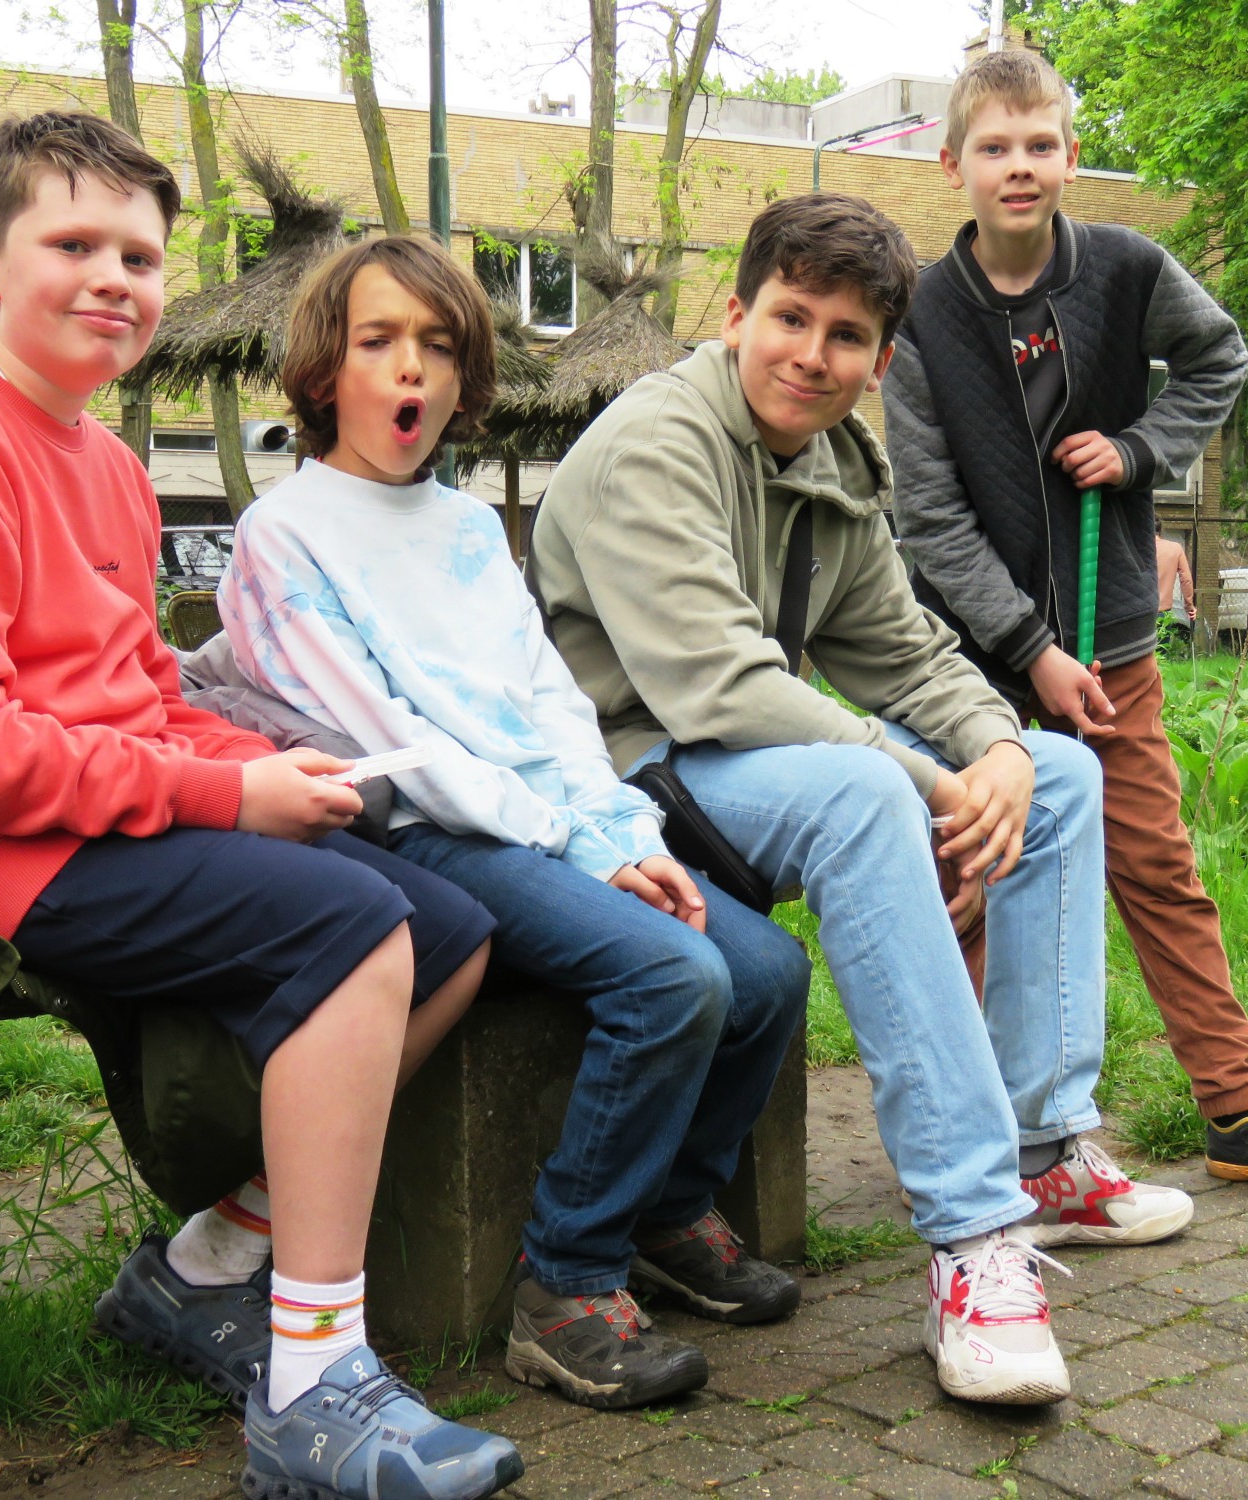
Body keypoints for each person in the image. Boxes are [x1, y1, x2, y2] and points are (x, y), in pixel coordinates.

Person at [0, 112, 522, 1500]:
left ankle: (207, 1264)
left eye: (138, 253)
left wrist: (276, 774)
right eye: (72, 244)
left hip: (80, 818)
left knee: (451, 924)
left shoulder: (109, 465)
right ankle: (314, 1391)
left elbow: (133, 690)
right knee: (358, 933)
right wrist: (215, 792)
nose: (114, 278)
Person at [528, 191, 1196, 1408]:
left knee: (1056, 774)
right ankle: (972, 1236)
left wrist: (992, 744)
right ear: (734, 314)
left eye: (845, 336)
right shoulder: (653, 445)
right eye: (790, 317)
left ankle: (1043, 1146)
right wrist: (932, 779)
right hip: (624, 781)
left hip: (747, 764)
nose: (811, 354)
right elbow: (718, 686)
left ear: (878, 361)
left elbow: (901, 646)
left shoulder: (835, 457)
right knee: (862, 791)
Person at [215, 233, 810, 1412]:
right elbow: (393, 740)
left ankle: (669, 1210)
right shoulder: (280, 538)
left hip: (551, 819)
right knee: (673, 982)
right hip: (424, 834)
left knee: (768, 968)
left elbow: (547, 700)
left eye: (437, 347)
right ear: (326, 367)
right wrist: (578, 850)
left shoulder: (470, 528)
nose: (411, 373)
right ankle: (565, 1285)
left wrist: (622, 834)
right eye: (378, 343)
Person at [881, 49, 1248, 1194]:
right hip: (974, 669)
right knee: (970, 881)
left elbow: (1219, 357)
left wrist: (1143, 448)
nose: (1019, 168)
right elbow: (933, 519)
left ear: (1067, 156)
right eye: (994, 148)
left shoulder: (1123, 269)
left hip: (1112, 652)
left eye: (1040, 145)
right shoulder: (919, 317)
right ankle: (973, 1135)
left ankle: (1238, 1112)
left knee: (1155, 867)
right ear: (953, 163)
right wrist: (1028, 652)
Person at [1155, 520, 1196, 633]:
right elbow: (1186, 579)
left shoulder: (1136, 548)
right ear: (1160, 530)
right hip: (1163, 611)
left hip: (1140, 612)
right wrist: (1189, 606)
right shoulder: (1175, 548)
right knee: (1161, 648)